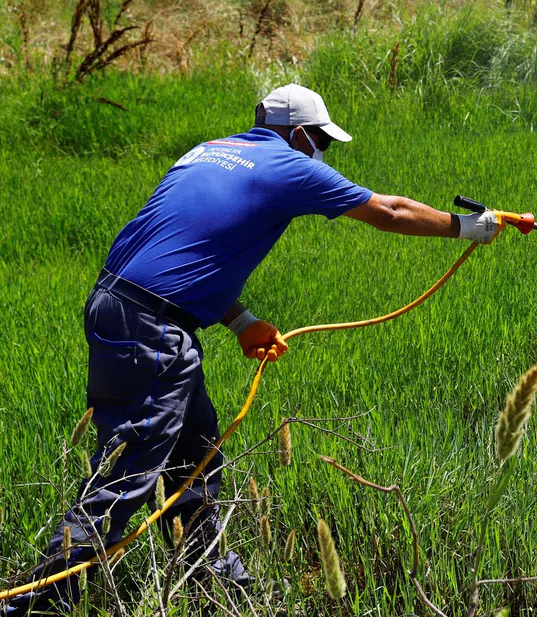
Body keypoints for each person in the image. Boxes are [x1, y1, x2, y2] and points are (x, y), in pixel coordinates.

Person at [6, 84, 499, 614]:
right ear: (300, 133)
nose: (321, 152)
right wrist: (471, 226)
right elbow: (393, 212)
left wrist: (241, 322)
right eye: (321, 142)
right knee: (126, 470)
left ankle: (206, 571)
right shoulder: (289, 164)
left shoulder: (204, 152)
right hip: (154, 327)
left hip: (116, 304)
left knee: (195, 451)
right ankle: (34, 604)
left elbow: (186, 253)